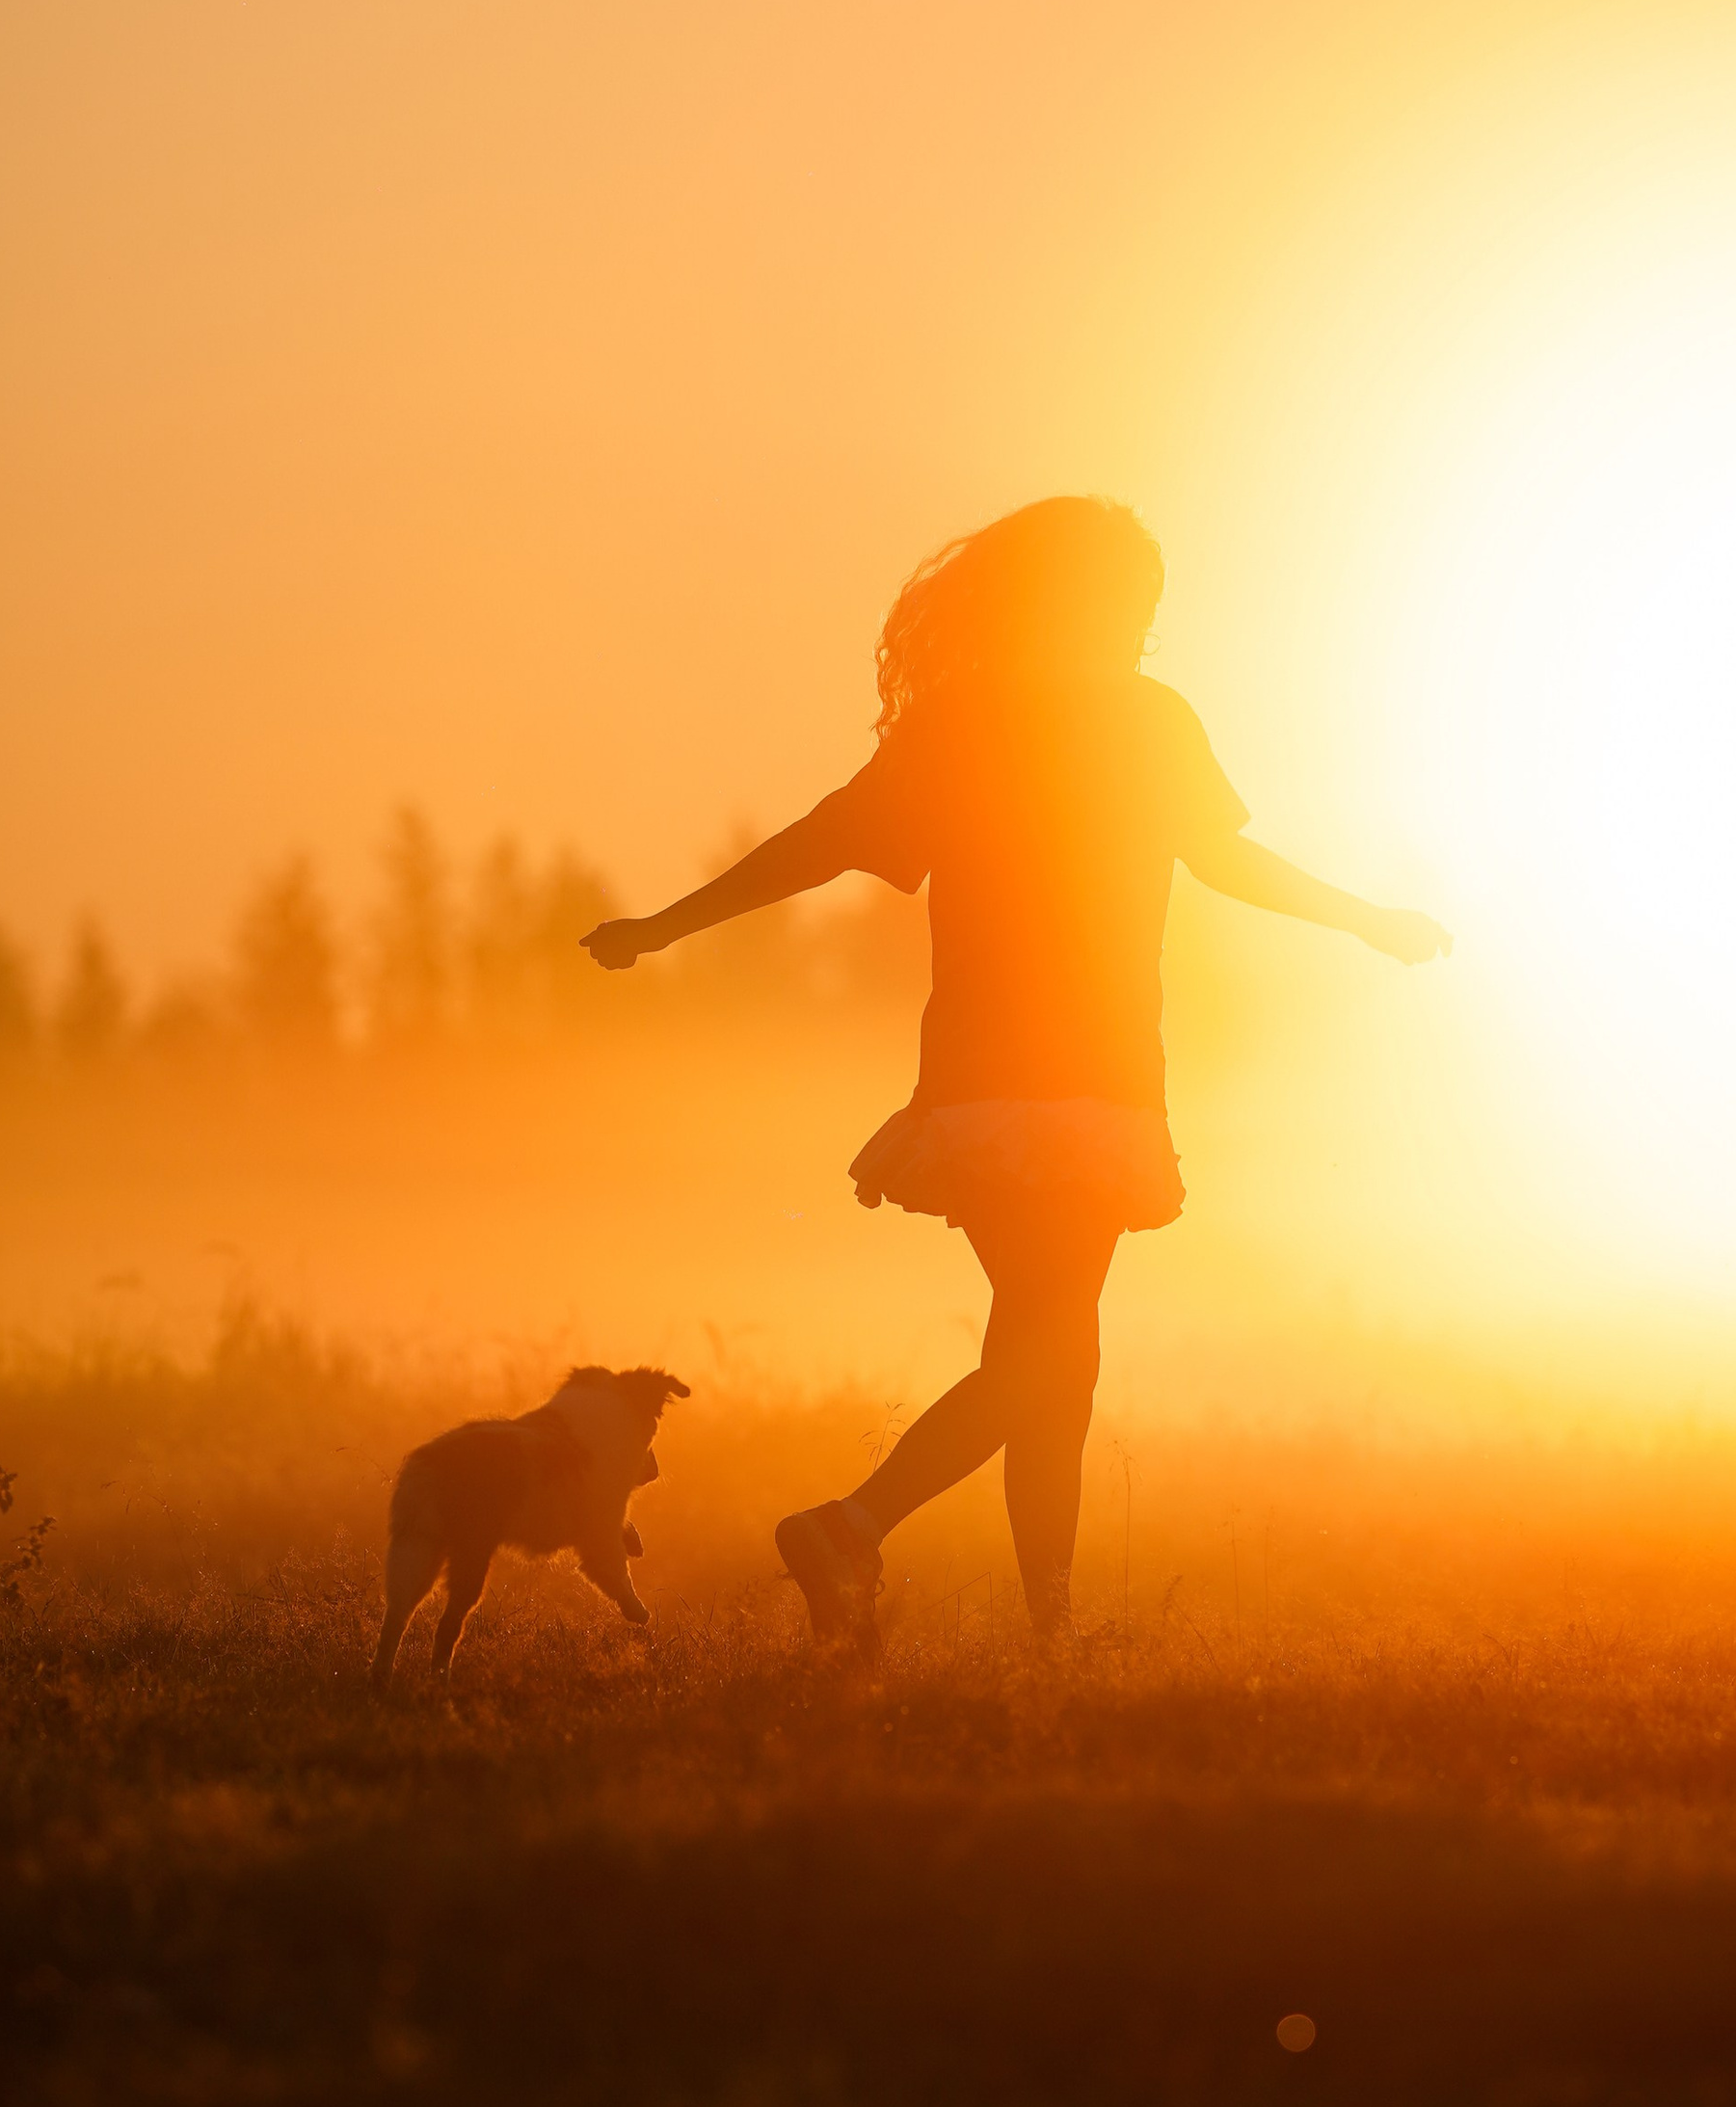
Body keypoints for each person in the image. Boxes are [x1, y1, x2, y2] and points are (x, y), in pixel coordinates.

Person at [584, 495, 1450, 1645]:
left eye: (1148, 605)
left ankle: (1049, 1630)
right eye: (1126, 599)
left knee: (1051, 1356)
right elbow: (1222, 859)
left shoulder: (967, 721)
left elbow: (823, 839)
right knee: (1052, 1353)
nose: (1140, 623)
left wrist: (665, 924)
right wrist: (1364, 919)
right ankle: (851, 1525)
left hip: (990, 1094)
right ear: (1074, 600)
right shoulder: (1138, 722)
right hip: (1075, 1091)